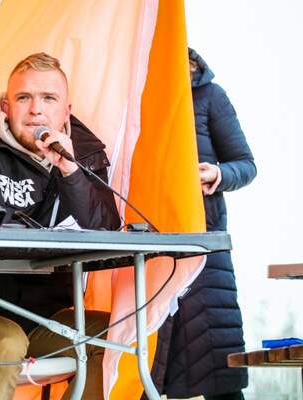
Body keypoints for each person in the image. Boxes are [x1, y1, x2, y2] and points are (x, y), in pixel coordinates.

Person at [0, 52, 121, 399]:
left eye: (48, 98)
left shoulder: (84, 153)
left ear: (66, 111)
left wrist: (70, 173)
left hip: (43, 317)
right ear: (7, 107)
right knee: (6, 340)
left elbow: (106, 230)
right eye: (24, 98)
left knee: (117, 334)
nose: (36, 110)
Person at [149, 48, 256, 400]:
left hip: (204, 247)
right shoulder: (135, 91)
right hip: (144, 245)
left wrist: (218, 174)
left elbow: (245, 164)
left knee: (217, 370)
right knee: (142, 371)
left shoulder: (211, 96)